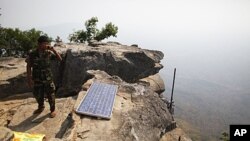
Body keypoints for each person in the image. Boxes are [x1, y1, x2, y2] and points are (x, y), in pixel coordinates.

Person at [26, 35, 62, 118]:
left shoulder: (48, 53)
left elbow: (60, 59)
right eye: (44, 43)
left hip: (48, 78)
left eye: (47, 43)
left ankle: (52, 110)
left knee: (51, 94)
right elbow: (28, 66)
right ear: (39, 44)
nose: (46, 45)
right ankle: (41, 107)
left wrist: (54, 50)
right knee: (38, 94)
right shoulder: (32, 54)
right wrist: (29, 78)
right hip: (37, 78)